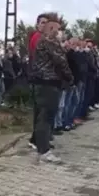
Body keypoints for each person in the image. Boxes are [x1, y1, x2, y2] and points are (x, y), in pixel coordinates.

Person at [30, 13, 73, 164]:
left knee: (43, 117)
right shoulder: (50, 42)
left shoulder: (44, 41)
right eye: (59, 29)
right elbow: (61, 62)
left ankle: (42, 147)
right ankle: (43, 151)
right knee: (46, 118)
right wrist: (69, 78)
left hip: (43, 82)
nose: (60, 32)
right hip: (48, 83)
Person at [28, 14, 49, 150]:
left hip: (42, 78)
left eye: (46, 23)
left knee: (41, 111)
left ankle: (37, 139)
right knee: (40, 111)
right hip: (38, 78)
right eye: (42, 23)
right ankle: (36, 140)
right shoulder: (37, 38)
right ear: (37, 25)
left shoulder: (43, 39)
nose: (44, 25)